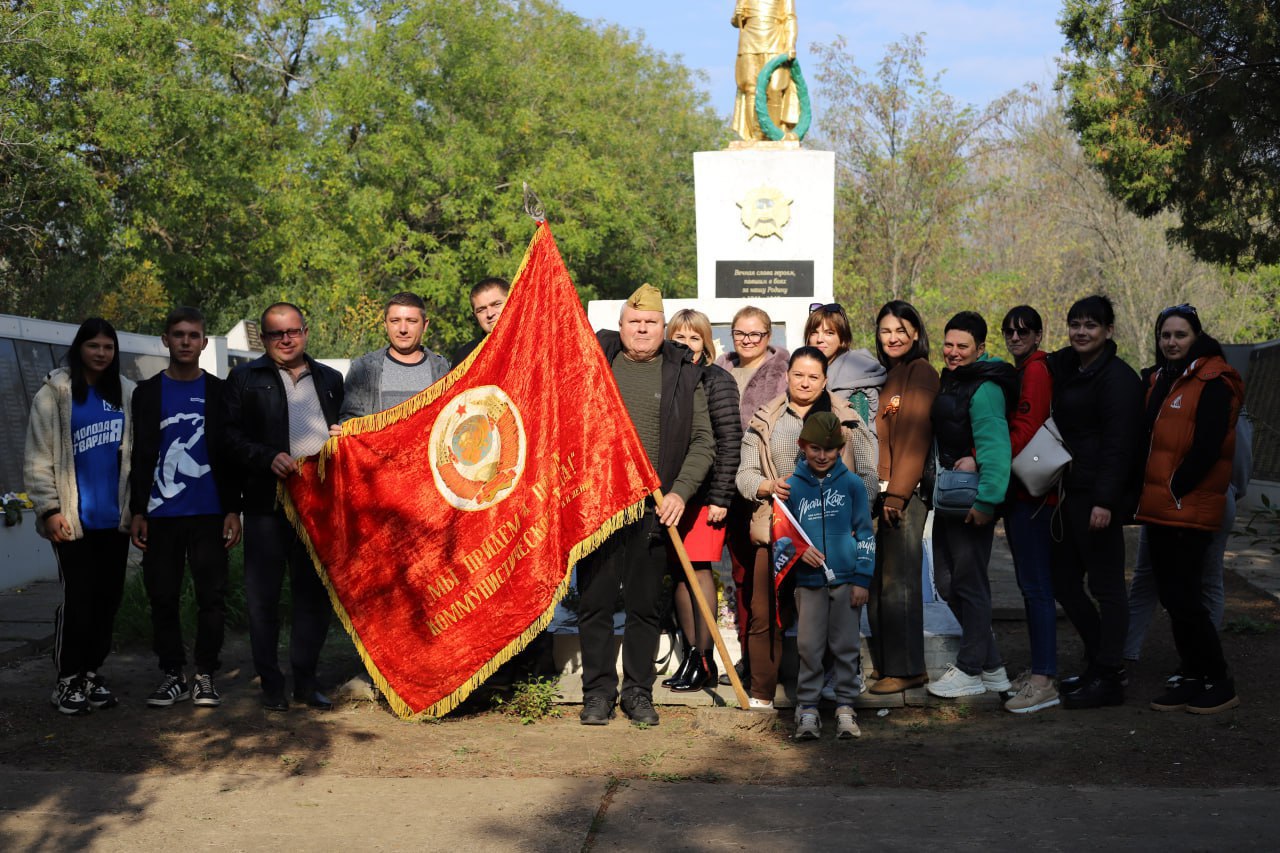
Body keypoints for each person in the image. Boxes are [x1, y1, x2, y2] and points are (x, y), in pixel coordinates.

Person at [578, 284, 716, 726]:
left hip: (656, 508)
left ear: (664, 328)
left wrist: (681, 492)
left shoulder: (683, 372)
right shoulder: (596, 362)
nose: (642, 328)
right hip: (599, 507)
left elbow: (702, 442)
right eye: (634, 322)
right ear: (621, 327)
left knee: (643, 607)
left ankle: (637, 693)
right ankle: (597, 693)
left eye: (651, 322)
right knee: (596, 604)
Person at [736, 347, 877, 709]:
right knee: (766, 610)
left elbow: (867, 475)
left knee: (834, 618)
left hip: (832, 536)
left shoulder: (845, 418)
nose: (805, 382)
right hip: (778, 530)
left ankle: (835, 692)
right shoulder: (766, 418)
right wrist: (768, 486)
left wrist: (852, 514)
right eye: (799, 374)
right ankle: (763, 692)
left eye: (814, 376)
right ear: (787, 374)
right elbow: (745, 475)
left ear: (826, 380)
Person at [223, 302, 344, 712]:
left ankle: (306, 682)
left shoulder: (330, 379)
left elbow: (346, 435)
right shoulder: (243, 378)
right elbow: (227, 439)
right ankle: (271, 684)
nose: (287, 339)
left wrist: (344, 437)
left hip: (318, 509)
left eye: (293, 331)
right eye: (277, 334)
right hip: (265, 505)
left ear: (306, 332)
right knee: (263, 599)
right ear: (264, 338)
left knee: (313, 598)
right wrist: (265, 456)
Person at [129, 307, 242, 709]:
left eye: (193, 335)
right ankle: (172, 674)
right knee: (163, 596)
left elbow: (228, 454)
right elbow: (140, 455)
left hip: (209, 512)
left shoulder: (220, 391)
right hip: (160, 514)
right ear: (165, 339)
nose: (185, 342)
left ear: (203, 342)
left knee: (211, 597)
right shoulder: (146, 393)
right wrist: (137, 510)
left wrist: (233, 509)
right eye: (178, 334)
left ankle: (206, 674)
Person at [1136, 304, 1244, 714]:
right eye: (1166, 335)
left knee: (1185, 595)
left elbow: (1210, 445)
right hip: (1163, 504)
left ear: (1196, 336)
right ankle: (1193, 673)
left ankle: (1219, 679)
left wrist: (1176, 485)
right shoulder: (1164, 378)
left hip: (1187, 503)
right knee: (1172, 594)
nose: (1172, 342)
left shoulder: (1214, 379)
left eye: (1180, 334)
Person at [24, 318, 135, 715]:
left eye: (108, 346)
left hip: (114, 520)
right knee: (79, 599)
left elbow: (134, 458)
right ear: (79, 348)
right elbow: (37, 458)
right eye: (93, 346)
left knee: (108, 600)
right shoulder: (55, 393)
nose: (101, 353)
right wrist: (49, 509)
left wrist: (135, 510)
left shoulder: (125, 392)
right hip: (73, 520)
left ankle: (90, 673)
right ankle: (66, 679)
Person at [1045, 294, 1143, 710]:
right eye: (1075, 324)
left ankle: (1109, 676)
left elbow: (1120, 447)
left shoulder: (1119, 379)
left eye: (1091, 325)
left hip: (1098, 498)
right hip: (1069, 492)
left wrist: (1106, 502)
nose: (1081, 332)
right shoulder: (1070, 367)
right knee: (1063, 582)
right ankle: (1099, 660)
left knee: (1106, 587)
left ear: (1108, 331)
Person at [925, 311, 1016, 699]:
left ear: (981, 348)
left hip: (972, 502)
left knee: (970, 583)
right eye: (949, 344)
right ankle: (993, 667)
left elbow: (996, 448)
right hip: (950, 501)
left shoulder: (985, 388)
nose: (953, 352)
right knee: (947, 583)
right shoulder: (955, 380)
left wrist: (987, 502)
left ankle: (970, 669)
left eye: (963, 346)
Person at [1125, 410, 1252, 662]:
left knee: (1194, 579)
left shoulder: (1217, 392)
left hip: (1197, 494)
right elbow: (1241, 463)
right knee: (1200, 579)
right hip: (1182, 493)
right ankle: (1198, 657)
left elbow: (1238, 460)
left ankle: (1199, 659)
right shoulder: (1184, 388)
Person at [661, 309, 742, 692]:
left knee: (698, 570)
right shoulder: (667, 378)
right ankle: (692, 655)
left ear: (706, 343)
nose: (685, 344)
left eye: (694, 338)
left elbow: (729, 441)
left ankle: (704, 658)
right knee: (680, 571)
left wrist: (721, 496)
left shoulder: (717, 380)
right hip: (673, 494)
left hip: (706, 495)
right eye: (678, 337)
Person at [785, 412, 876, 740]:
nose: (822, 456)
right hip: (808, 584)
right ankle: (807, 708)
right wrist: (798, 551)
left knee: (845, 645)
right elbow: (782, 535)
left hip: (847, 581)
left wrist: (862, 579)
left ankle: (845, 707)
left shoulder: (852, 485)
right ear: (802, 446)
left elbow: (865, 533)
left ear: (840, 448)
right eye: (814, 449)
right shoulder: (791, 487)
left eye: (829, 449)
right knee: (808, 645)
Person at [714, 305, 790, 685]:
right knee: (741, 578)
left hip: (770, 488)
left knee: (775, 578)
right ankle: (749, 656)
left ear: (768, 336)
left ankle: (781, 657)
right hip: (729, 485)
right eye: (740, 333)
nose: (747, 341)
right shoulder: (721, 368)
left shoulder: (785, 373)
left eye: (755, 334)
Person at [866, 300, 938, 695]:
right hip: (881, 494)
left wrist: (897, 495)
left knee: (900, 584)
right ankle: (887, 665)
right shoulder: (892, 375)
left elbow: (915, 438)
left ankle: (909, 668)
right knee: (879, 582)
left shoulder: (920, 372)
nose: (892, 337)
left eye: (900, 330)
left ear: (915, 334)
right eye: (885, 331)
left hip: (903, 498)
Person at [998, 306, 1061, 714]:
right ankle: (1039, 669)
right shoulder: (1022, 369)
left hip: (1034, 496)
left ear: (1038, 335)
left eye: (1024, 331)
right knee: (1030, 586)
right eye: (1009, 331)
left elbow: (1026, 428)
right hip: (1022, 493)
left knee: (1037, 588)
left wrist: (984, 455)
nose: (1015, 336)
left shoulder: (1036, 370)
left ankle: (1044, 680)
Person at [341, 292, 449, 422]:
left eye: (411, 321)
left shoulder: (443, 370)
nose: (403, 329)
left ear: (425, 325)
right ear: (385, 324)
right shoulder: (363, 369)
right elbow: (349, 422)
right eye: (395, 321)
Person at [804, 302, 886, 430]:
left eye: (829, 333)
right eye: (814, 332)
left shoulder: (856, 383)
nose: (819, 339)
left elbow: (858, 440)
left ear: (842, 338)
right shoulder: (808, 373)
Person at [731, 0, 799, 141]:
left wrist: (791, 43)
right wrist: (737, 17)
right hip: (749, 40)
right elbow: (736, 21)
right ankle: (755, 135)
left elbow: (790, 17)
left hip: (775, 40)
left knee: (775, 88)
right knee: (751, 88)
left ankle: (772, 134)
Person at [451, 277, 509, 368]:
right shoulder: (465, 358)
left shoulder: (536, 342)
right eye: (481, 310)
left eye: (496, 304)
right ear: (475, 316)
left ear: (513, 302)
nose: (490, 314)